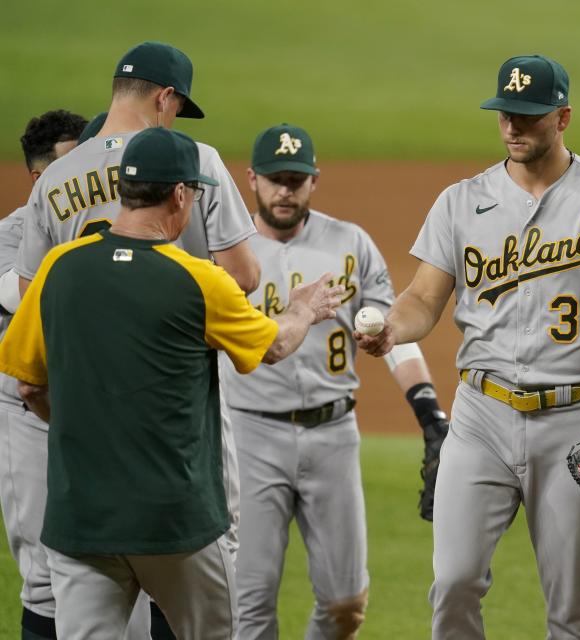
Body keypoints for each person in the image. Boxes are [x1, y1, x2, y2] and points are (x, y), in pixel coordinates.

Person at [356, 54, 580, 639]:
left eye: (528, 115)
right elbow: (424, 298)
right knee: (452, 582)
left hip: (574, 419)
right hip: (481, 418)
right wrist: (394, 327)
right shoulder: (461, 201)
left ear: (563, 117)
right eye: (505, 114)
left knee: (572, 606)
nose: (513, 127)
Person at [0, 127, 345, 640]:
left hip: (81, 519)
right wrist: (302, 309)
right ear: (181, 194)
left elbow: (28, 386)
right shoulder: (200, 280)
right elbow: (273, 345)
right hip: (175, 523)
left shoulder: (58, 267)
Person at [12, 41, 261, 636]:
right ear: (165, 96)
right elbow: (246, 276)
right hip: (180, 411)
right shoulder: (196, 161)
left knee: (83, 573)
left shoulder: (55, 179)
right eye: (176, 106)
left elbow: (33, 300)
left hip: (86, 412)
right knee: (201, 559)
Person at [220, 123, 450, 639]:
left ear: (314, 181)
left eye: (296, 180)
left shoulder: (349, 243)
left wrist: (429, 412)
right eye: (275, 179)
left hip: (333, 437)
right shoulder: (229, 252)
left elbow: (392, 332)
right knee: (249, 603)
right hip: (249, 437)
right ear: (251, 179)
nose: (285, 190)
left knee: (346, 605)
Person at [0, 109, 87, 640]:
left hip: (103, 408)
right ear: (41, 180)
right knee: (44, 576)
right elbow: (29, 294)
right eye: (72, 165)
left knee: (141, 570)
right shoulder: (10, 235)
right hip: (28, 414)